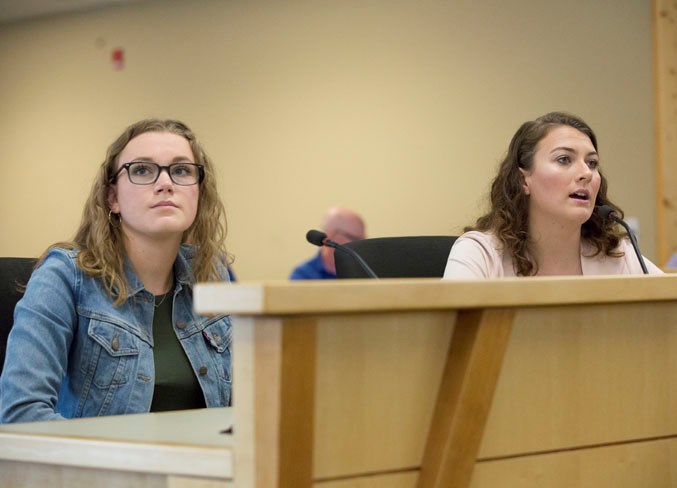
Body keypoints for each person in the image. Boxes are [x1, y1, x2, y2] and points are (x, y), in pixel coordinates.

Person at [0, 119, 233, 423]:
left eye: (181, 170)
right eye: (141, 170)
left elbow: (244, 404)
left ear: (199, 192)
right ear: (113, 197)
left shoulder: (212, 273)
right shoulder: (64, 278)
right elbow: (21, 414)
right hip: (100, 469)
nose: (166, 183)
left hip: (205, 467)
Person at [443, 111, 663, 279]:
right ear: (523, 180)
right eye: (564, 159)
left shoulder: (616, 255)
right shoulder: (480, 254)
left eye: (592, 163)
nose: (586, 173)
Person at [289, 207, 366, 280]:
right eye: (355, 238)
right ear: (332, 235)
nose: (361, 244)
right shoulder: (303, 276)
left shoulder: (366, 270)